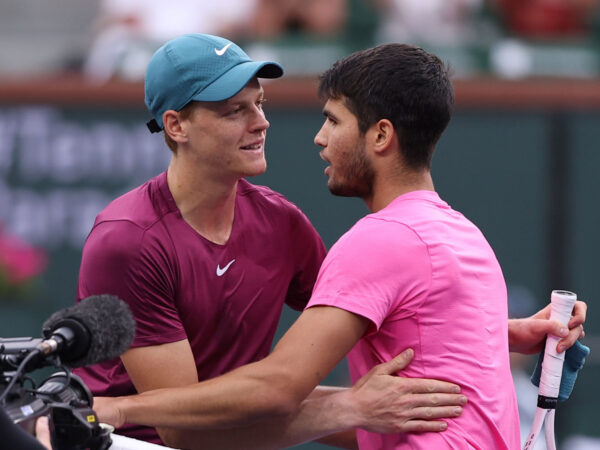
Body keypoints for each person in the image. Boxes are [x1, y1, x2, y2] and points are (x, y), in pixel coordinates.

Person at [91, 42, 587, 449]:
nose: (262, 122)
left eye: (259, 103)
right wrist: (348, 406)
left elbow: (368, 317)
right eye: (234, 110)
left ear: (381, 135)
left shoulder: (287, 224)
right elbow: (181, 430)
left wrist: (493, 331)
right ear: (176, 126)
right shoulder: (129, 242)